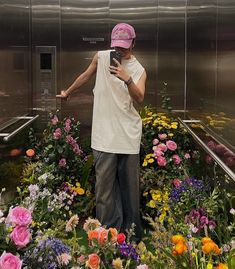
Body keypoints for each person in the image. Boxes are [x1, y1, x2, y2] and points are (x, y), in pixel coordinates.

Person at [57, 23, 147, 242]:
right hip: (104, 136)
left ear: (133, 43)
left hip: (128, 136)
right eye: (117, 45)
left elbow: (140, 98)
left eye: (125, 46)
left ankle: (132, 236)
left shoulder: (139, 69)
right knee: (104, 192)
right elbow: (86, 76)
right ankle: (107, 236)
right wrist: (68, 92)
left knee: (129, 190)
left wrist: (127, 78)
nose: (121, 50)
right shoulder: (101, 56)